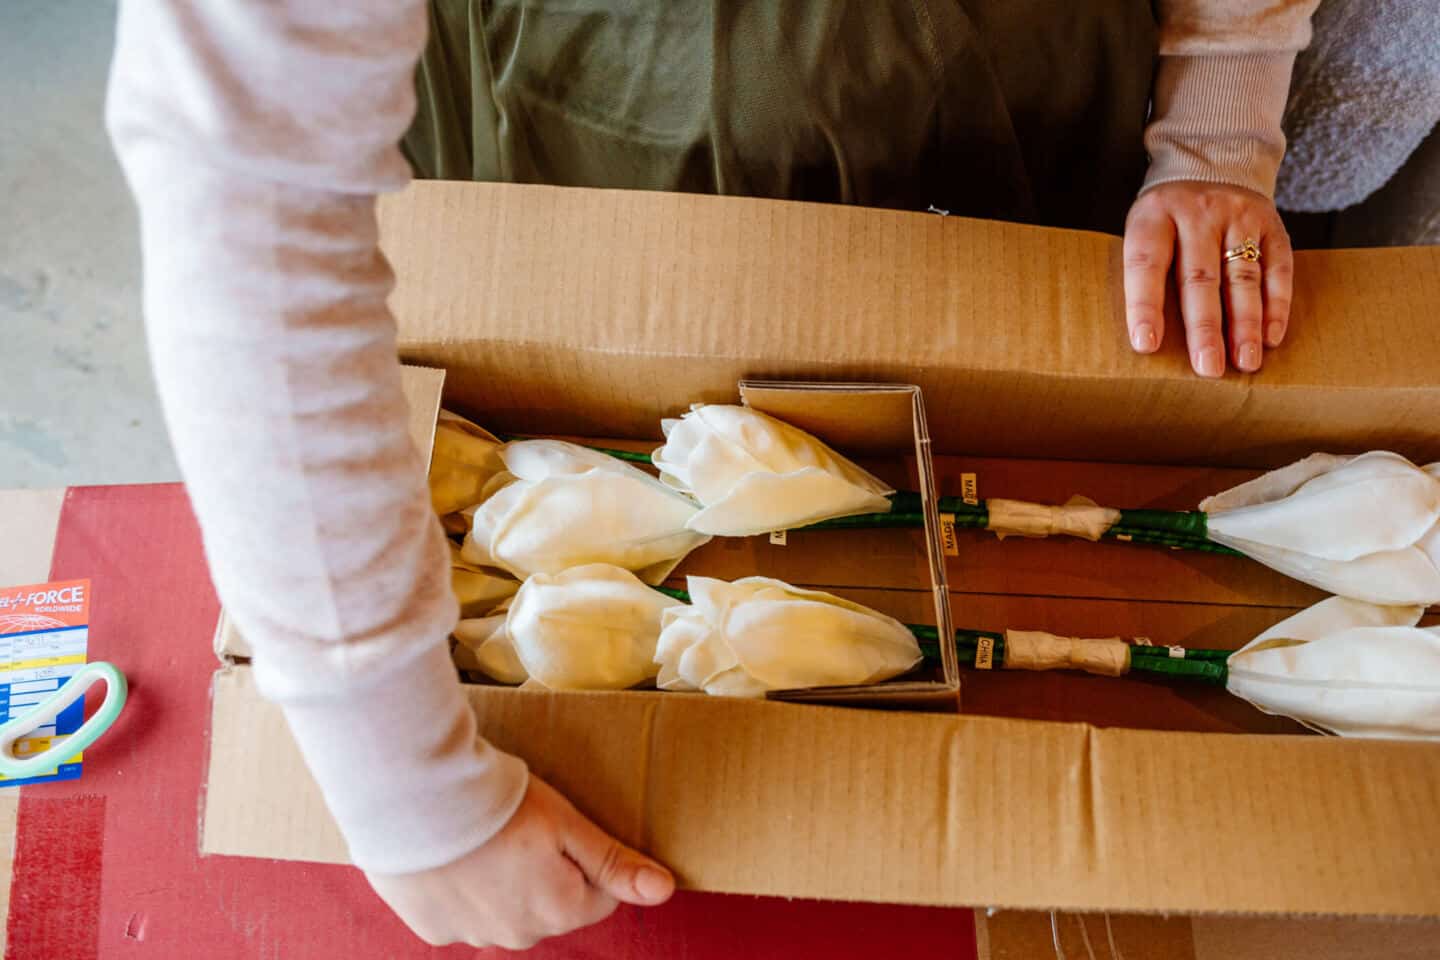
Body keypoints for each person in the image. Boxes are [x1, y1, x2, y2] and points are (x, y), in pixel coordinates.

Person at [106, 0, 1318, 949]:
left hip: (1031, 76)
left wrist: (1219, 115)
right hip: (612, 95)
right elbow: (247, 193)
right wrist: (404, 786)